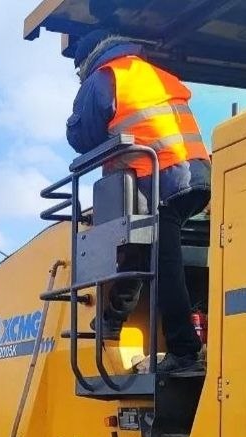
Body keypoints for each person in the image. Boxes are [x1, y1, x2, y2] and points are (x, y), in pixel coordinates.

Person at [67, 29, 211, 374]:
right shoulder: (151, 74)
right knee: (144, 247)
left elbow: (81, 135)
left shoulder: (105, 76)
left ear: (86, 60)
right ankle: (113, 320)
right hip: (197, 174)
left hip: (162, 176)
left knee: (160, 259)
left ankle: (183, 349)